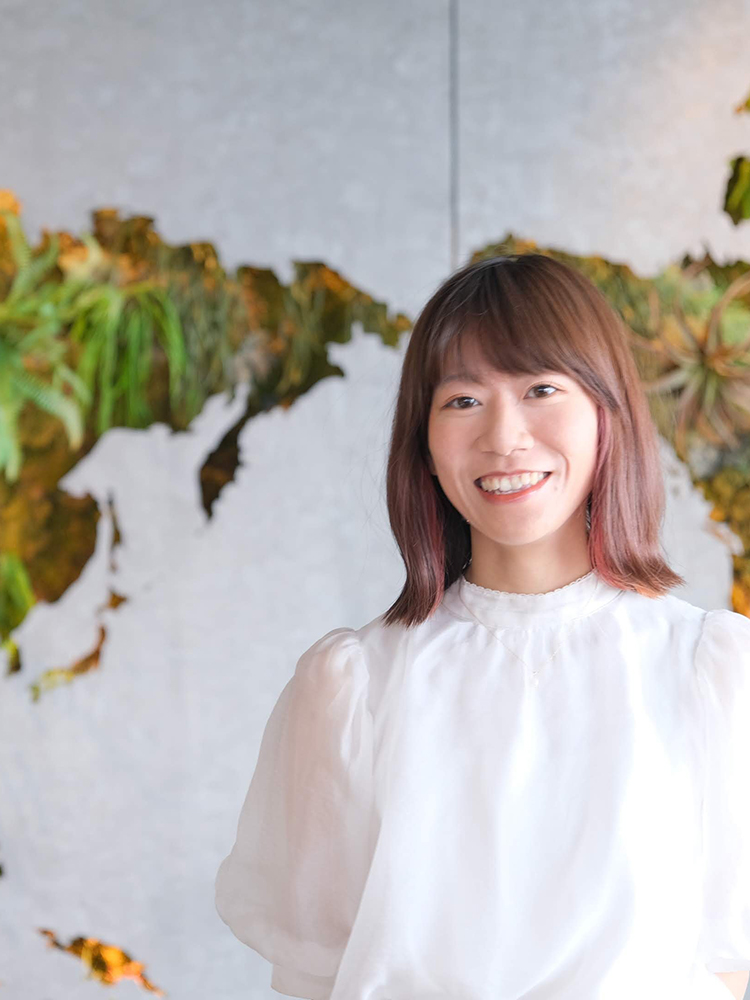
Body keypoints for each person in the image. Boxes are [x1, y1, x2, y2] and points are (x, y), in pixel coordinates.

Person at [214, 254, 750, 1000]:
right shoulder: (354, 687)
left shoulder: (711, 669)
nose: (504, 437)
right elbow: (315, 973)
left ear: (608, 415)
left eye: (540, 390)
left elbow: (733, 961)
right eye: (463, 400)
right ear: (424, 446)